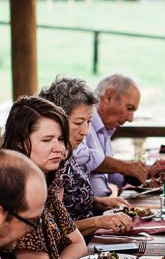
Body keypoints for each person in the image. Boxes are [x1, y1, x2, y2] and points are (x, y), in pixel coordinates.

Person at [0, 96, 137, 259]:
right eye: (47, 140)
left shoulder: (47, 181)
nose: (59, 148)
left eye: (61, 139)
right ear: (21, 143)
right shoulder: (18, 194)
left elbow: (78, 243)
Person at [39, 75, 137, 238]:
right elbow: (52, 231)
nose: (85, 131)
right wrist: (98, 221)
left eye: (89, 122)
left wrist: (99, 202)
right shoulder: (48, 162)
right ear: (56, 119)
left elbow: (69, 204)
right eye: (78, 123)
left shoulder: (66, 153)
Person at [83, 73, 165, 197]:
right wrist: (125, 166)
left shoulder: (105, 129)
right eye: (129, 108)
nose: (131, 119)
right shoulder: (81, 122)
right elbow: (81, 158)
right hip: (88, 213)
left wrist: (145, 172)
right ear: (109, 96)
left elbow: (115, 177)